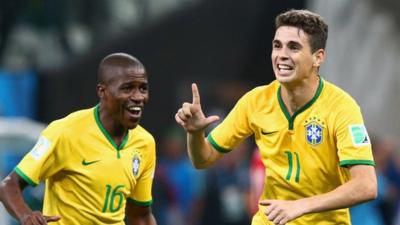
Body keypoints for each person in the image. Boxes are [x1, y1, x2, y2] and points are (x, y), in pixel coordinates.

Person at [175, 9, 377, 225]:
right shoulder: (255, 101)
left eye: (294, 47)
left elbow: (366, 186)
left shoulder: (342, 108)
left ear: (318, 57)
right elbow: (203, 159)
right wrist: (196, 134)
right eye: (277, 45)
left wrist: (300, 205)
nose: (281, 54)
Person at [0, 53, 157, 225]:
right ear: (102, 91)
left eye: (143, 88)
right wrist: (26, 215)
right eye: (127, 88)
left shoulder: (145, 143)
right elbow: (9, 185)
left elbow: (140, 216)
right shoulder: (65, 132)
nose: (139, 97)